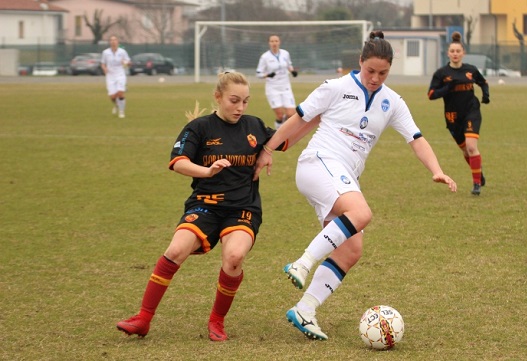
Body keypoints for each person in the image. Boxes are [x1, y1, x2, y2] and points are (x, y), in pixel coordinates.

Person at [254, 31, 457, 341]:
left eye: (383, 72)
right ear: (360, 62)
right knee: (361, 212)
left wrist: (437, 170)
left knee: (352, 249)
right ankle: (303, 262)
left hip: (341, 177)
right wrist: (267, 150)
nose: (375, 78)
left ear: (390, 69)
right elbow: (298, 119)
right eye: (370, 70)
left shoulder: (392, 101)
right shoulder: (335, 87)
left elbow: (416, 139)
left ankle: (305, 309)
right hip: (318, 163)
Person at [116, 72, 290, 341]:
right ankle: (143, 319)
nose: (240, 108)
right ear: (218, 97)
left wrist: (269, 149)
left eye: (245, 101)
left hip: (242, 208)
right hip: (205, 205)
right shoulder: (199, 128)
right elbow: (178, 162)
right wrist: (206, 171)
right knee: (176, 249)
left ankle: (217, 321)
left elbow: (287, 137)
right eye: (234, 100)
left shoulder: (254, 126)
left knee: (234, 257)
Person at [427, 31, 490, 195]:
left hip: (471, 111)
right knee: (465, 151)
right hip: (453, 117)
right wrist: (447, 88)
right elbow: (431, 95)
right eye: (452, 51)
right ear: (448, 53)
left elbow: (483, 82)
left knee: (471, 146)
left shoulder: (470, 70)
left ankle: (476, 184)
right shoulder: (441, 74)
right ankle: (479, 174)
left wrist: (486, 95)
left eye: (458, 51)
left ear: (463, 53)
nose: (455, 54)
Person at [256, 34, 298, 129]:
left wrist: (292, 71)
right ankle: (279, 133)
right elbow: (258, 73)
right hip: (272, 88)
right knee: (279, 115)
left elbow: (288, 65)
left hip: (285, 86)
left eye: (276, 41)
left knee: (291, 114)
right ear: (269, 43)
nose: (274, 43)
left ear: (279, 42)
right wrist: (268, 75)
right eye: (272, 41)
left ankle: (286, 130)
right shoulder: (265, 57)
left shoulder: (285, 54)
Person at [101, 35, 131, 119]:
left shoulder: (122, 52)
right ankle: (117, 104)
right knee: (112, 97)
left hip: (120, 74)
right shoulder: (105, 52)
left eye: (115, 40)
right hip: (110, 76)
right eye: (111, 40)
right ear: (109, 42)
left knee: (120, 93)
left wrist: (125, 62)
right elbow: (103, 63)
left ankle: (121, 111)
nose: (113, 42)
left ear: (118, 42)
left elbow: (129, 63)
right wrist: (104, 69)